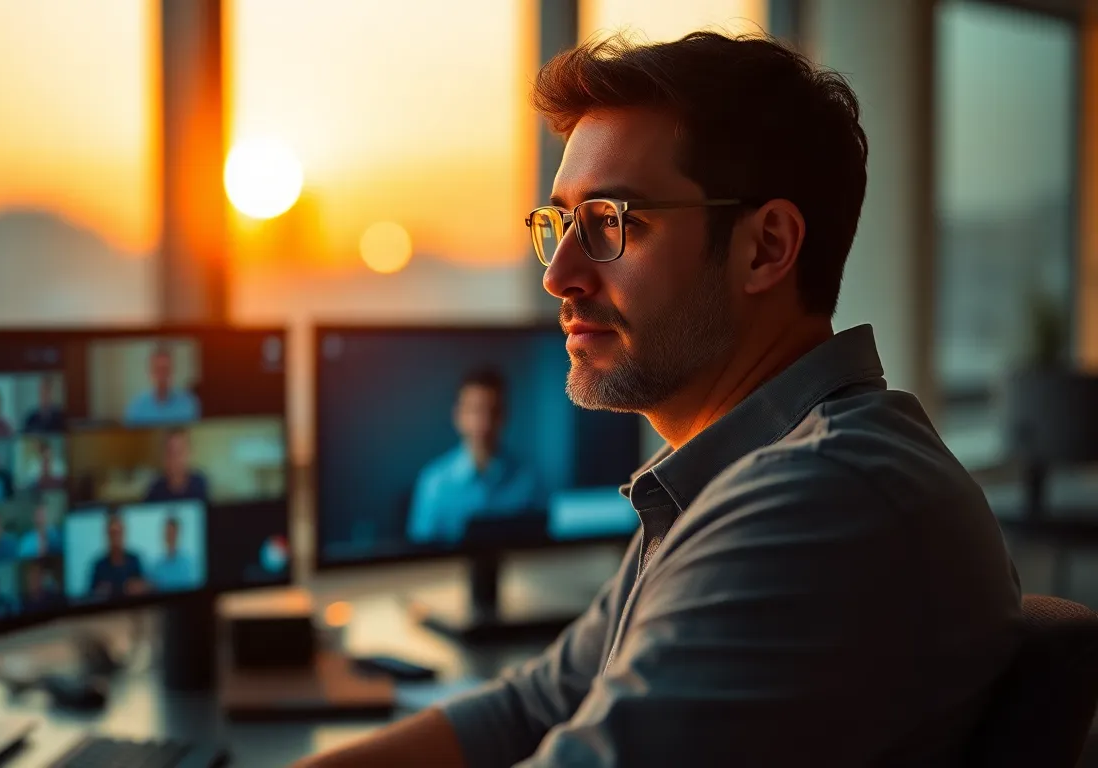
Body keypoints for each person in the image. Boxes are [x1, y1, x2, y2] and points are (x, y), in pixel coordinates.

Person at [295, 32, 1021, 768]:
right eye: (558, 225)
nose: (560, 275)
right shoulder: (727, 481)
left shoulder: (820, 501)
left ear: (766, 247)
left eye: (613, 222)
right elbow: (536, 706)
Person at [406, 370, 544, 545]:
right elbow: (420, 554)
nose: (485, 423)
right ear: (458, 416)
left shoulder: (528, 480)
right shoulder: (434, 483)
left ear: (504, 416)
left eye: (493, 411)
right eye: (475, 410)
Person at [123, 344, 201, 425]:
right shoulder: (136, 407)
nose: (162, 375)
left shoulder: (189, 403)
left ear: (172, 372)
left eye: (165, 369)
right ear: (151, 372)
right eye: (158, 370)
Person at [87, 512, 147, 598]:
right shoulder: (98, 566)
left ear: (124, 534)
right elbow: (90, 596)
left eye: (118, 533)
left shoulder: (135, 560)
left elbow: (144, 590)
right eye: (113, 534)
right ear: (107, 536)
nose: (116, 538)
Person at [143, 430, 208, 503]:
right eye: (170, 452)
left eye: (179, 452)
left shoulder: (200, 483)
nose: (175, 458)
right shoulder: (155, 487)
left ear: (189, 453)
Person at [148, 515, 198, 591]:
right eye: (167, 533)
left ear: (178, 534)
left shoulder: (189, 563)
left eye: (172, 533)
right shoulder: (157, 565)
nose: (169, 537)